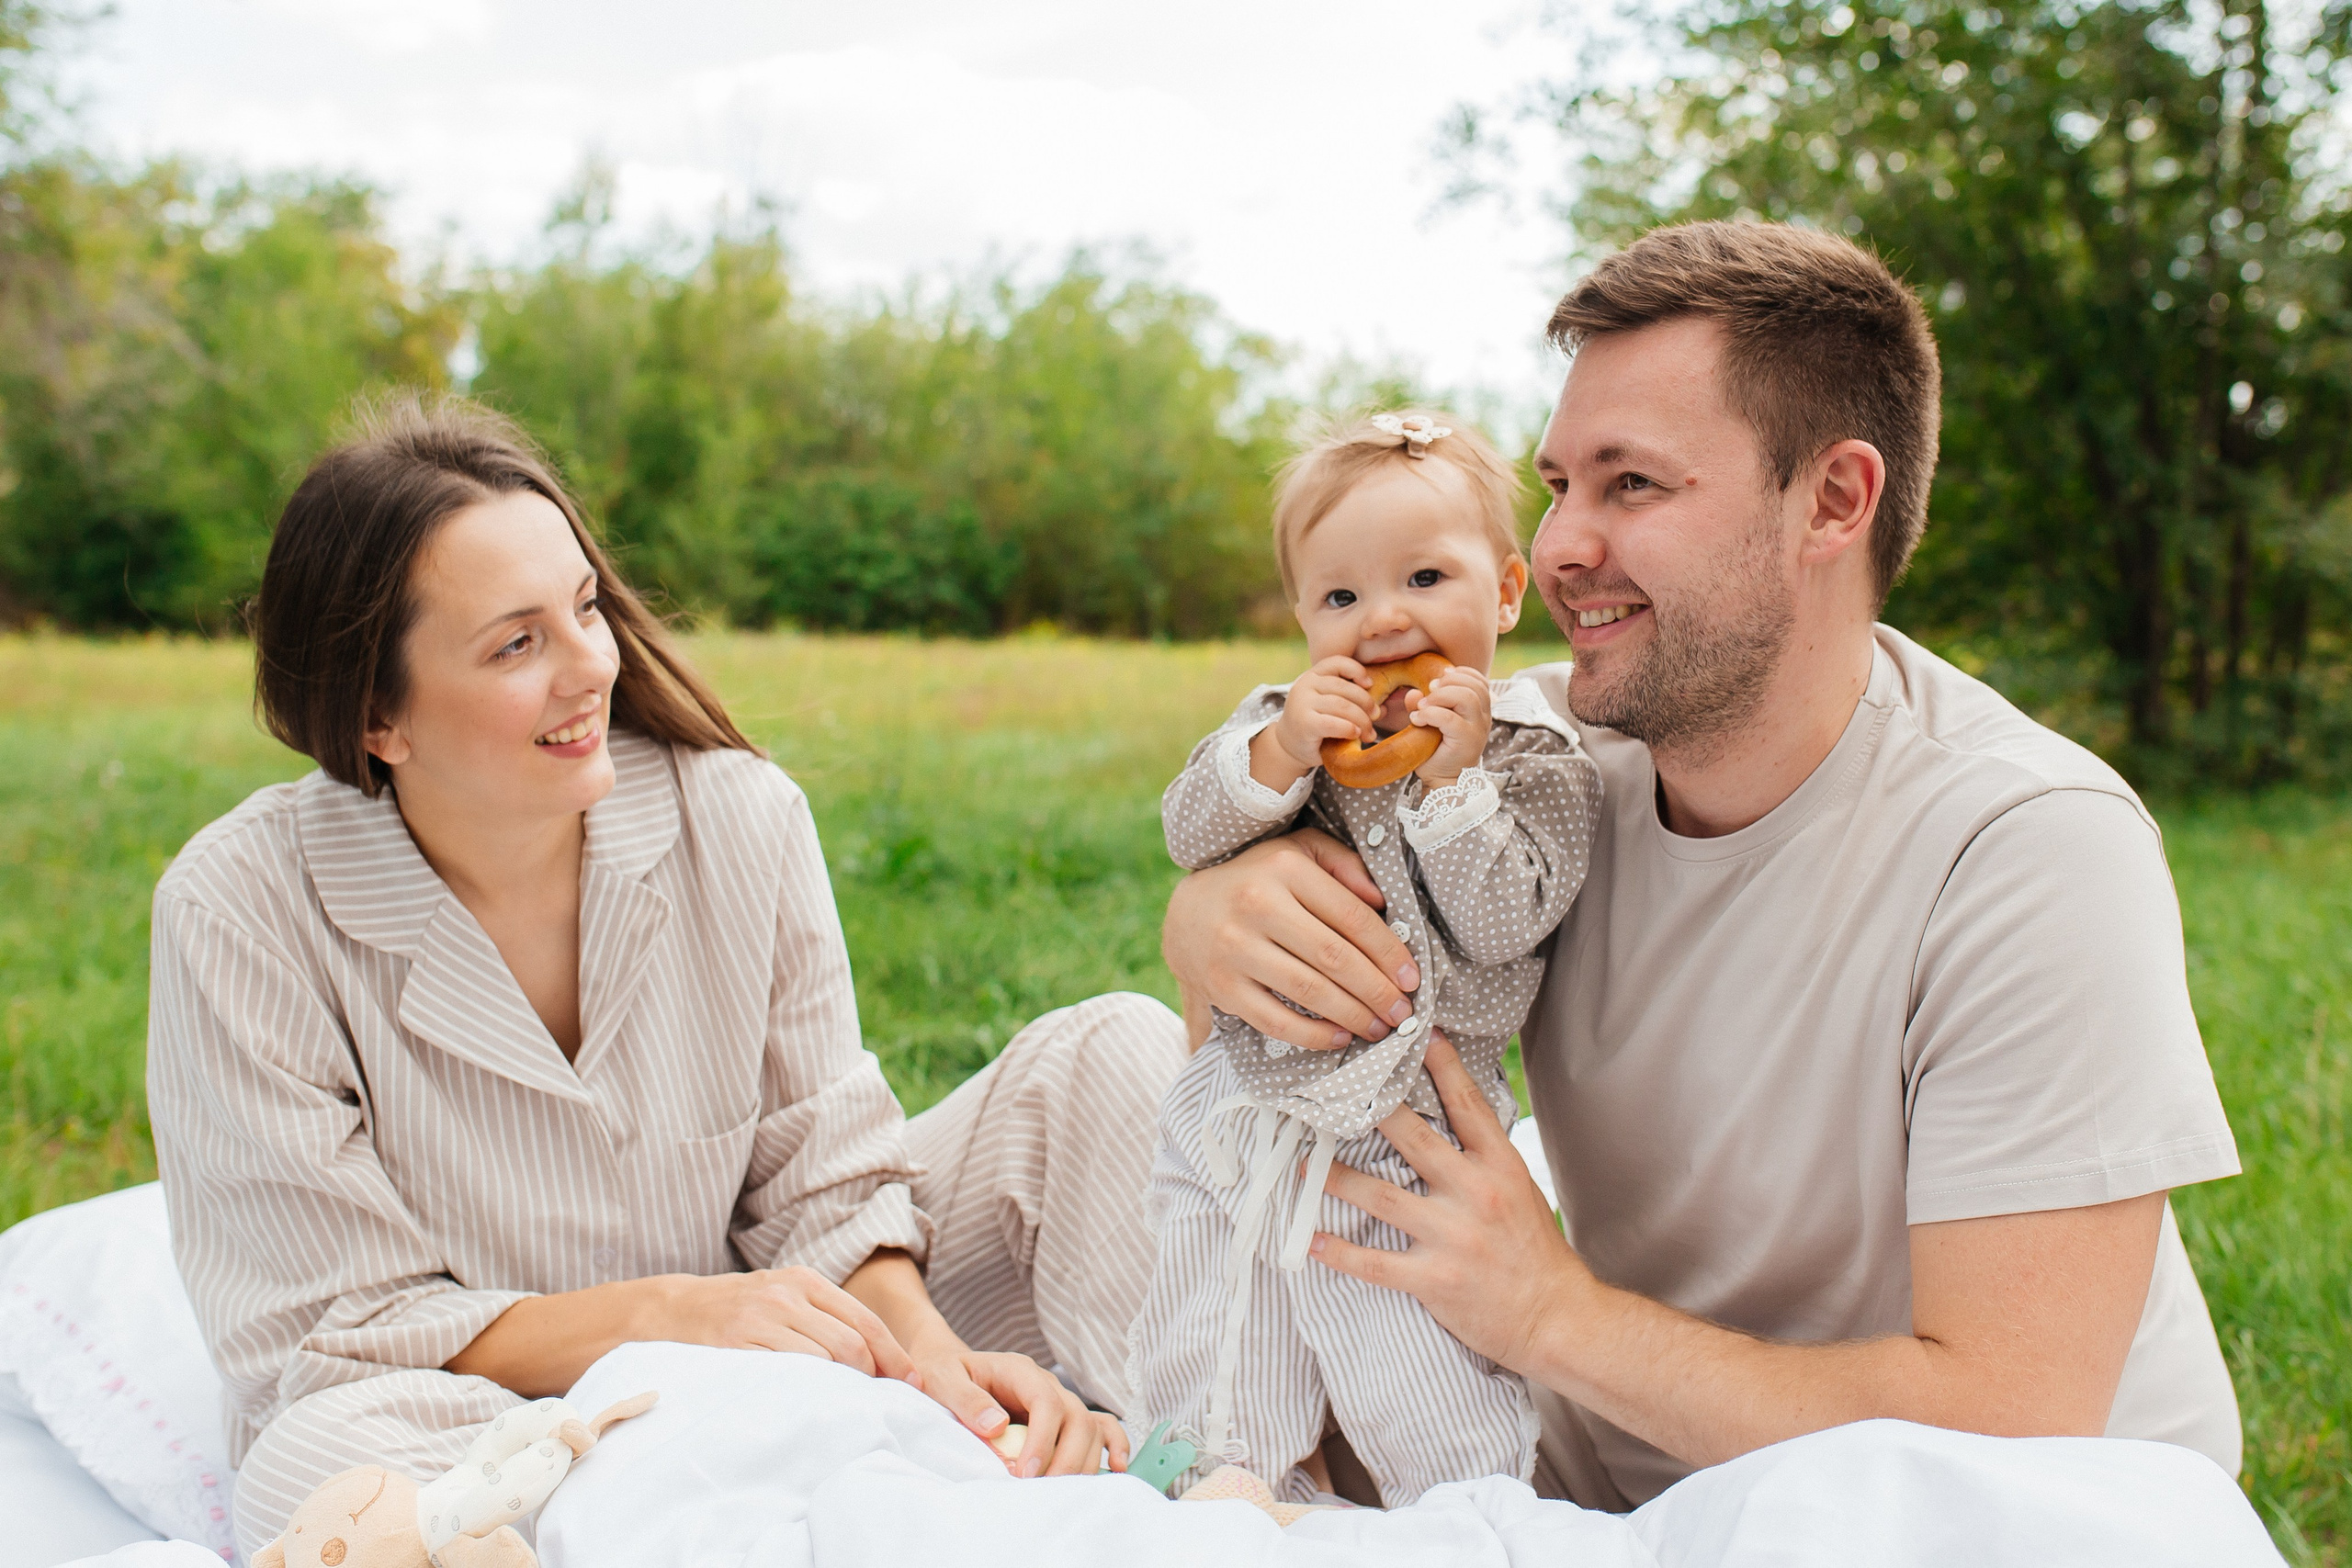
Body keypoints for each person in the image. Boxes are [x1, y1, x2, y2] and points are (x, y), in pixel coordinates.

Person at [1157, 220, 2243, 1509]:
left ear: (1834, 499)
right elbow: (1267, 879)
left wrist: (1546, 1312)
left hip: (1950, 1514)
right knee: (1102, 1076)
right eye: (1560, 484)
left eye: (1633, 485)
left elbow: (2011, 1414)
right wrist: (1209, 910)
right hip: (1603, 1454)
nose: (1558, 547)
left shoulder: (2029, 846)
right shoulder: (1526, 757)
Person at [143, 398, 1190, 1555]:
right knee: (311, 1464)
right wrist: (675, 1320)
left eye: (584, 607)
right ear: (378, 717)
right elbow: (331, 1331)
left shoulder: (737, 814)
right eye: (515, 644)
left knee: (1113, 1049)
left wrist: (928, 1361)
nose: (591, 665)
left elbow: (826, 1179)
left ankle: (1190, 1469)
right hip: (506, 1399)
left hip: (789, 1327)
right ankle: (756, 1508)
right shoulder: (238, 908)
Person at [1133, 411, 1601, 1506]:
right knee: (1214, 1301)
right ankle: (1203, 1486)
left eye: (1425, 577)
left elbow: (1501, 923)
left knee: (1407, 1343)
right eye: (1339, 597)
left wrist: (1452, 784)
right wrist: (1282, 750)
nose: (1383, 618)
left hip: (1407, 1120)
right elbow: (1190, 835)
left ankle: (1464, 1512)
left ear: (1503, 592)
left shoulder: (1534, 763)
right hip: (1240, 1100)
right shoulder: (1285, 729)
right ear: (1301, 617)